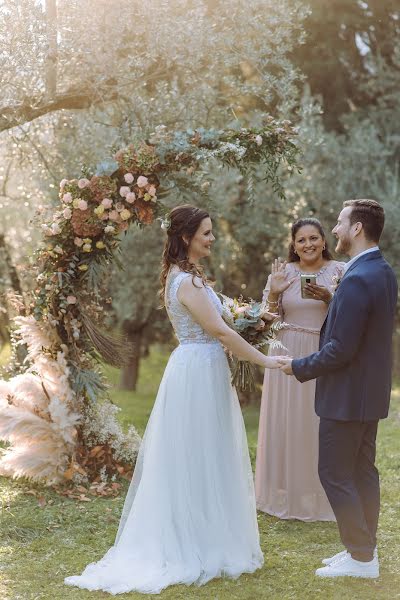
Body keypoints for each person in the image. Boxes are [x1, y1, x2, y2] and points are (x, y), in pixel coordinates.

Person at [65, 204, 285, 595]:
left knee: (205, 452)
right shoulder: (187, 282)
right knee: (196, 454)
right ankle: (193, 544)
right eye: (206, 232)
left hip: (200, 368)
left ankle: (207, 535)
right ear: (186, 237)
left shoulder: (185, 278)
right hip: (199, 370)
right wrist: (266, 360)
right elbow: (220, 332)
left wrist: (258, 311)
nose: (212, 238)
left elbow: (228, 324)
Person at [279, 199, 397, 579]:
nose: (335, 229)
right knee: (362, 472)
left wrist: (296, 366)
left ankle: (361, 557)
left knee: (334, 472)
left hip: (346, 395)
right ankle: (363, 552)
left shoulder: (359, 276)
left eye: (340, 221)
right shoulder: (382, 271)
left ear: (358, 228)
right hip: (368, 393)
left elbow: (341, 349)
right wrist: (333, 300)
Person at [255, 218, 344, 521]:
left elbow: (350, 318)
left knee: (318, 422)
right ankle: (287, 493)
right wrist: (273, 293)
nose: (308, 245)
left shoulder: (340, 270)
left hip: (322, 354)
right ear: (293, 244)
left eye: (314, 238)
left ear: (324, 240)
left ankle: (321, 494)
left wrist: (331, 299)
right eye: (301, 240)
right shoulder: (283, 273)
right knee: (287, 421)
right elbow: (262, 323)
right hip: (286, 352)